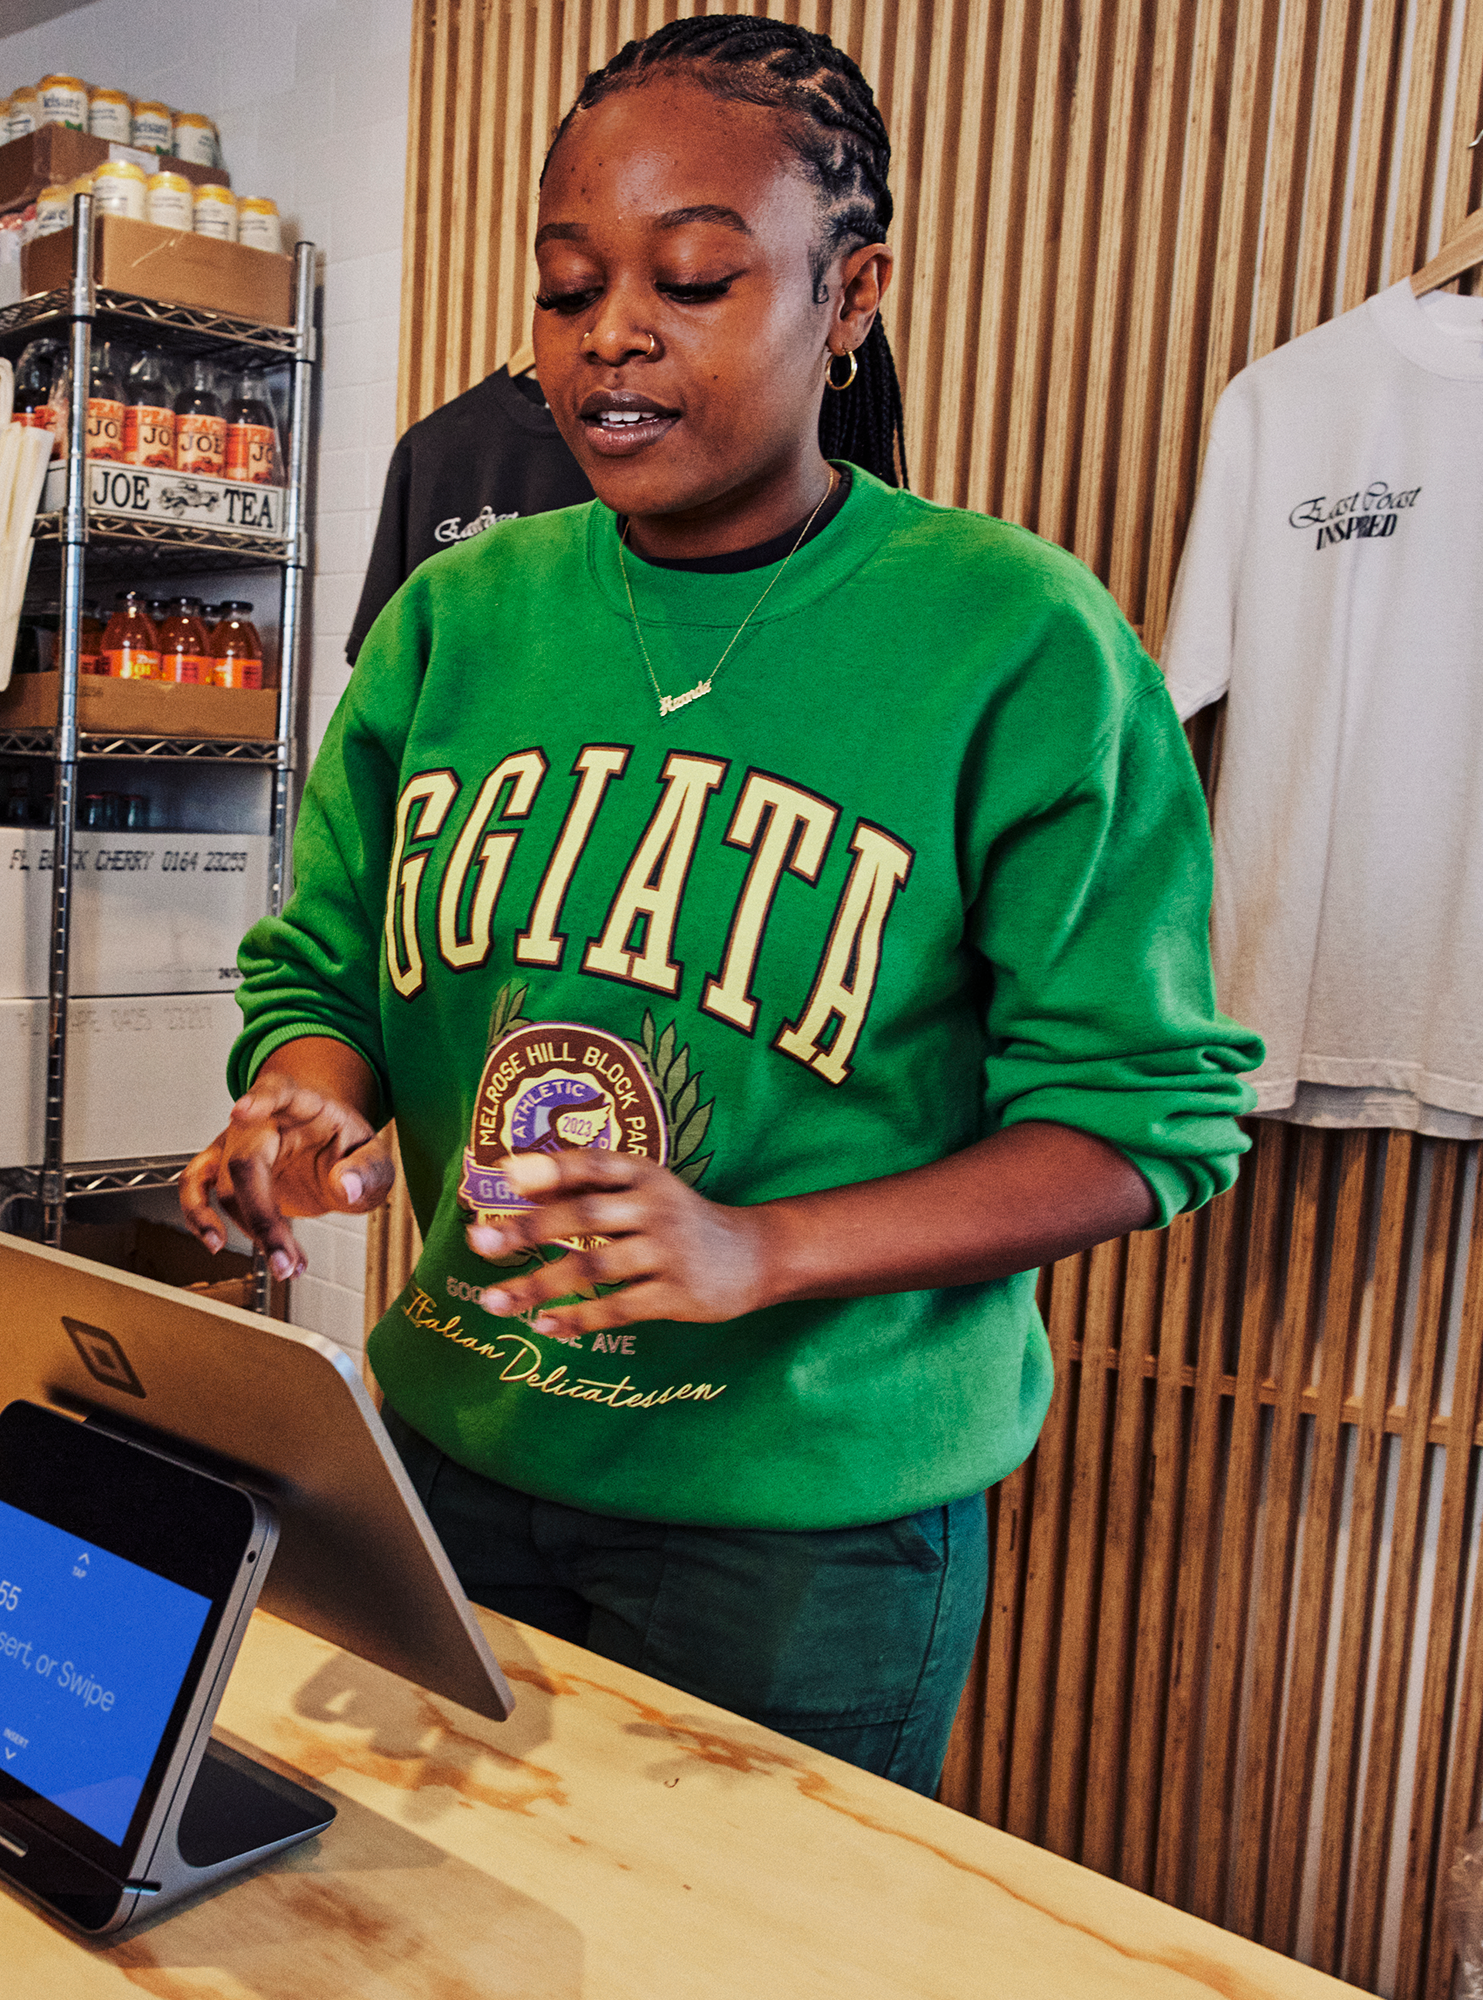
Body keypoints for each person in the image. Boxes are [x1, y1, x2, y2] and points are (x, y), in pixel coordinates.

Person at [181, 15, 1261, 1793]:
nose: (614, 331)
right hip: (450, 1463)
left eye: (691, 279)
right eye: (568, 283)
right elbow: (329, 971)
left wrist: (763, 1249)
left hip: (804, 1545)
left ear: (851, 299)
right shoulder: (461, 617)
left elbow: (1137, 1123)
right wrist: (309, 1102)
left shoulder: (1016, 641)